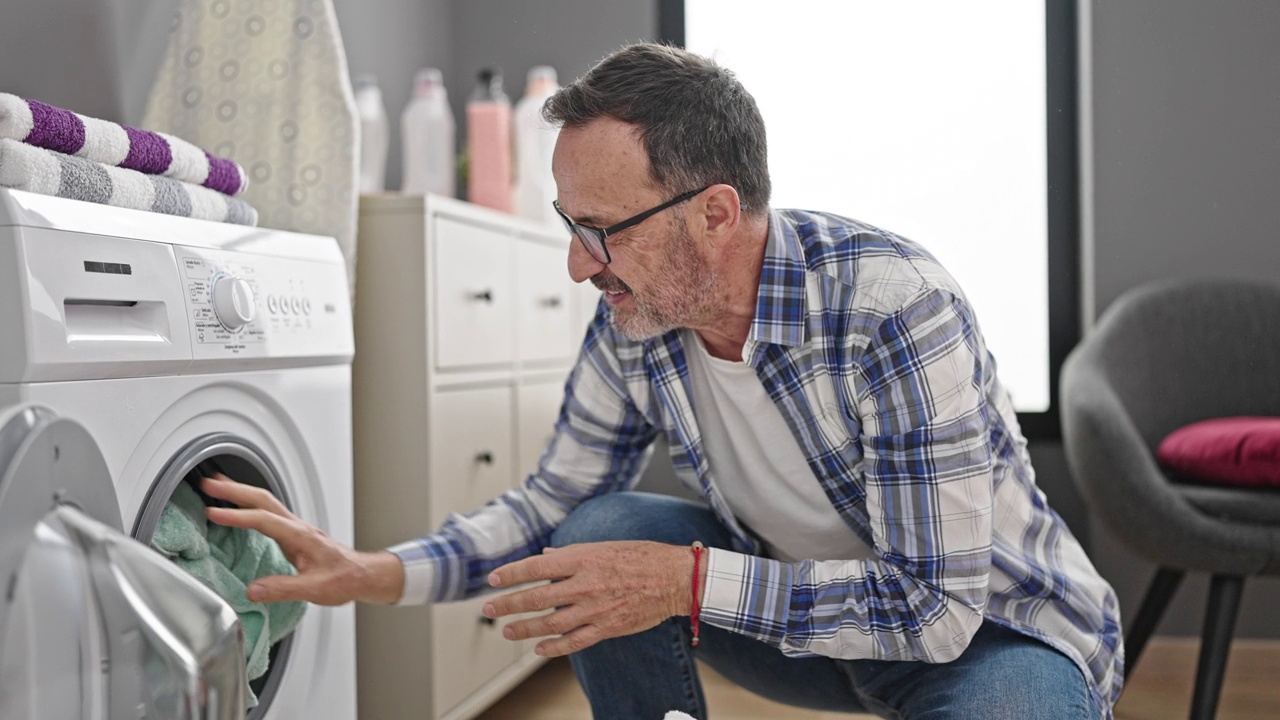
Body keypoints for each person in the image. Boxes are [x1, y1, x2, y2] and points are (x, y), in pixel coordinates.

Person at [204, 42, 1123, 719]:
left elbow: (933, 611)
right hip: (809, 628)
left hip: (992, 637)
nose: (575, 265)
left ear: (715, 214)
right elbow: (549, 503)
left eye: (600, 229)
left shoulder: (892, 308)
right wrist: (374, 573)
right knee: (596, 529)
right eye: (570, 224)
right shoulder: (639, 315)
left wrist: (685, 580)